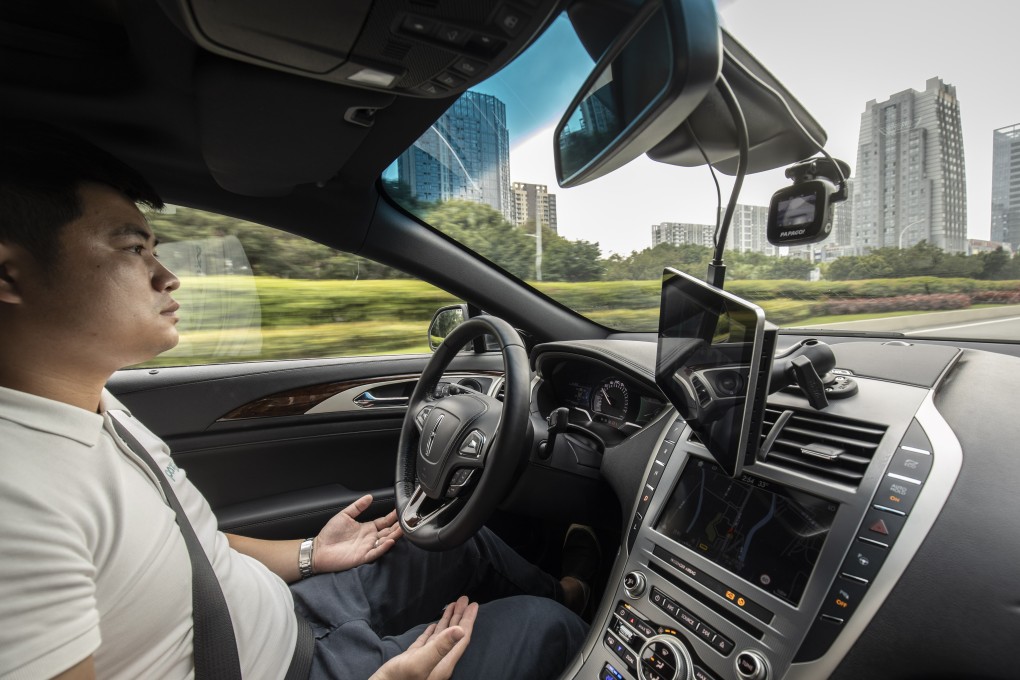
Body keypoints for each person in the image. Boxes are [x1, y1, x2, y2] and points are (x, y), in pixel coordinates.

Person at [0, 121, 594, 680]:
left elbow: (185, 540)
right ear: (9, 278)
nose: (167, 275)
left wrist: (311, 554)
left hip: (293, 610)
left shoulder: (87, 400)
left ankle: (573, 590)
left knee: (460, 541)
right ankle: (573, 612)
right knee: (547, 632)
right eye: (132, 249)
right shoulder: (18, 506)